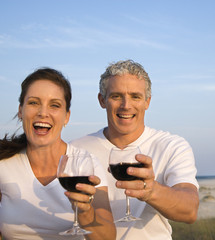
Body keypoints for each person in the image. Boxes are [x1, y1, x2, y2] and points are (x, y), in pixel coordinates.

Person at [0, 68, 116, 240]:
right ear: (21, 111)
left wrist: (85, 212)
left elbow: (107, 238)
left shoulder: (86, 164)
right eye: (34, 103)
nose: (43, 112)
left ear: (66, 116)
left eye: (54, 105)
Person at [71, 60, 199, 239]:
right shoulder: (77, 149)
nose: (126, 105)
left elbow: (189, 211)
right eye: (116, 96)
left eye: (135, 97)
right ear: (102, 100)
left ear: (147, 102)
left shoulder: (172, 146)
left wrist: (151, 191)